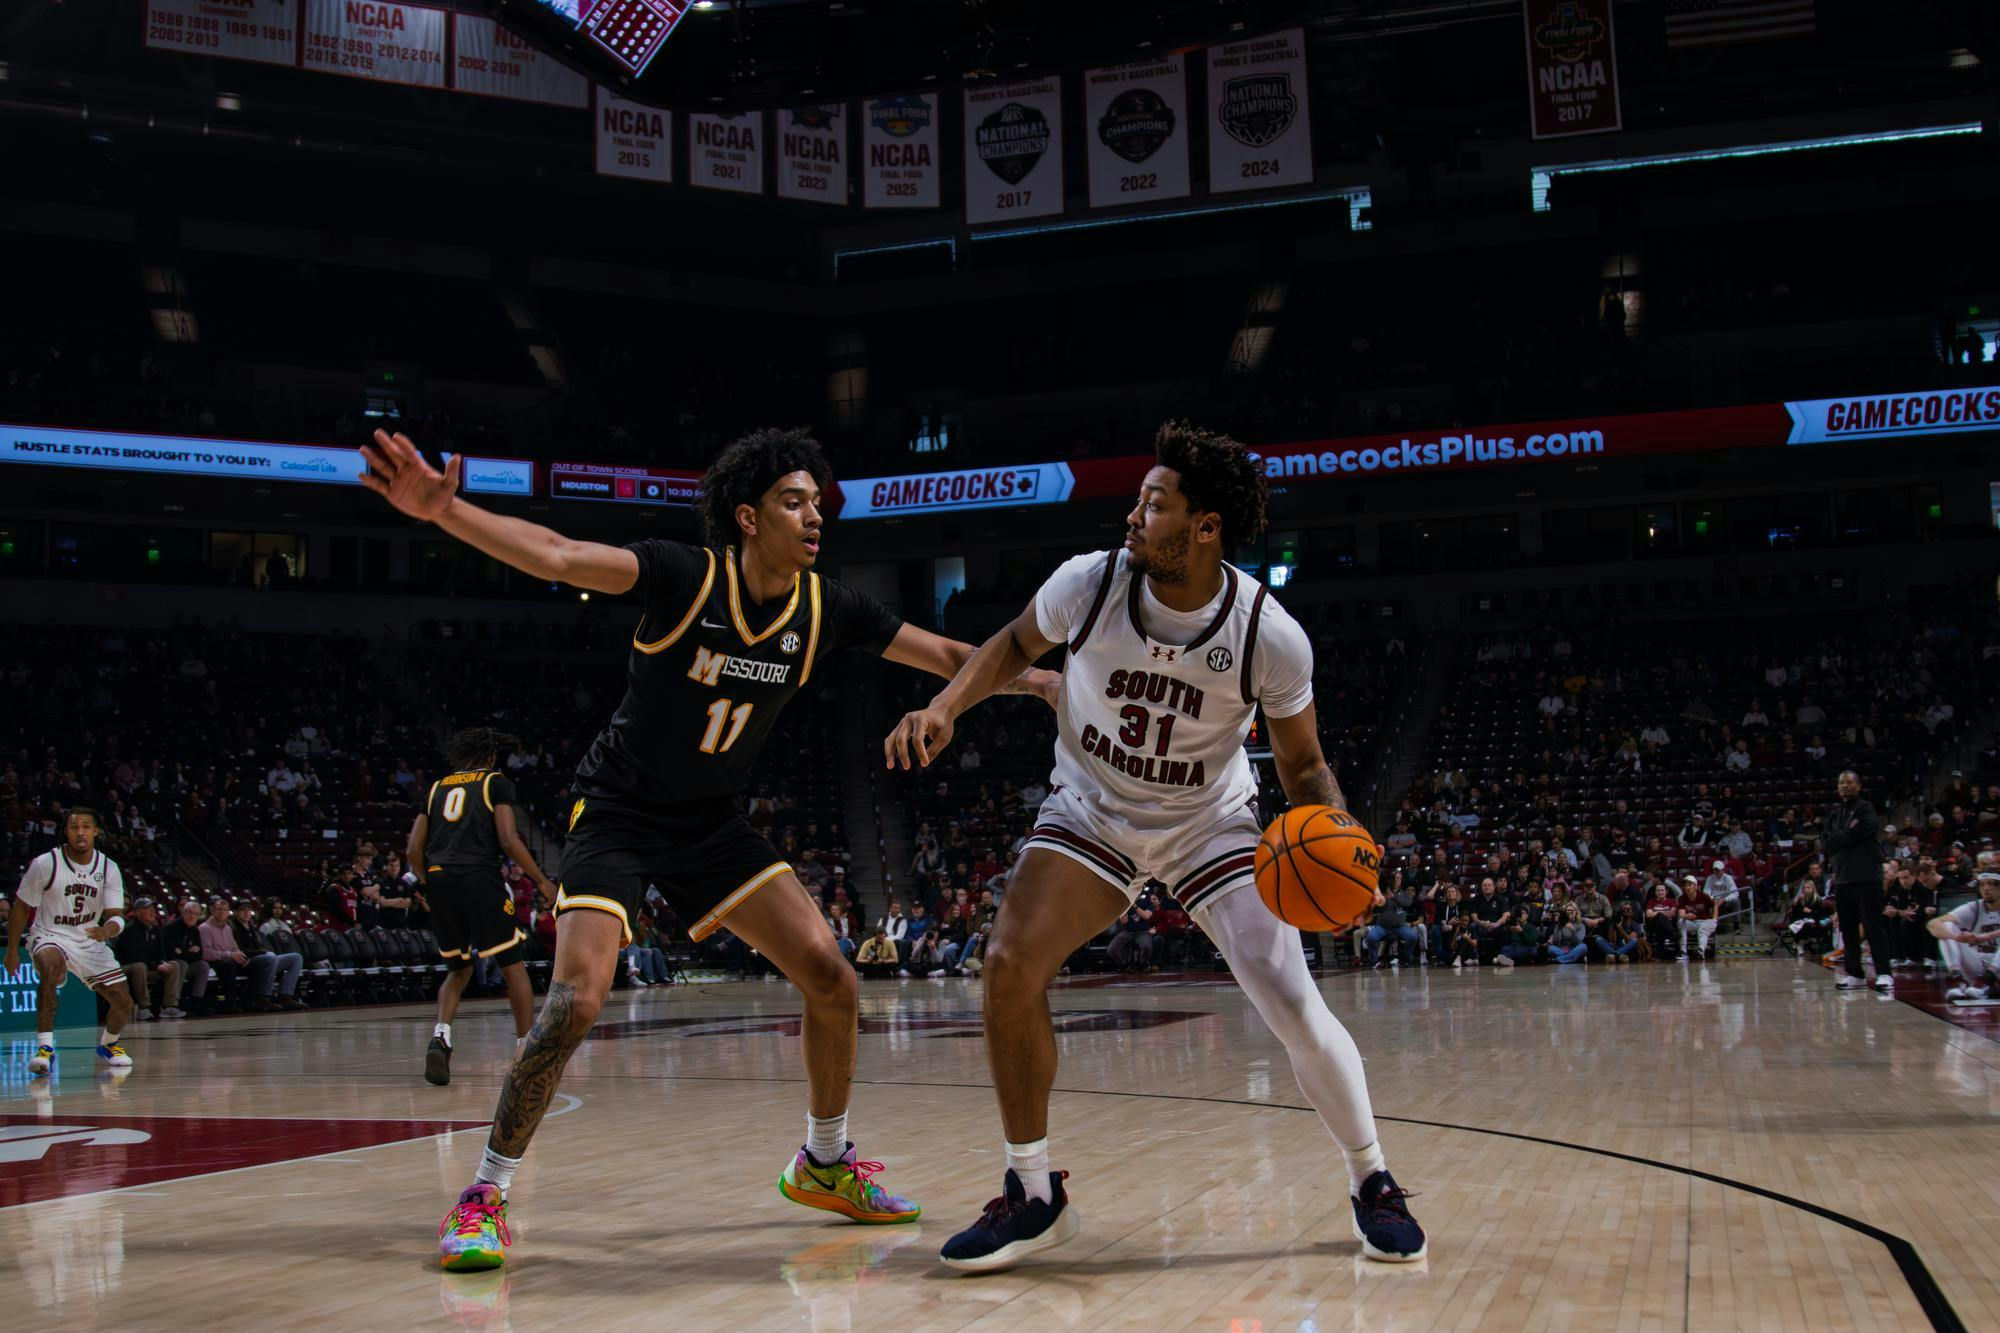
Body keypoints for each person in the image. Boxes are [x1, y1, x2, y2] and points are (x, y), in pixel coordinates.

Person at [359, 425, 1056, 1271]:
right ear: (747, 516)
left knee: (833, 978)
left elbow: (948, 655)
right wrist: (447, 511)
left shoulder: (826, 605)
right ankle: (484, 1193)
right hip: (617, 810)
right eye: (793, 501)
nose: (814, 516)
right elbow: (557, 553)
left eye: (817, 502)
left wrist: (1041, 681)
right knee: (577, 997)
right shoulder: (689, 575)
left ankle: (824, 1163)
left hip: (710, 822)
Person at [886, 422, 1424, 1272]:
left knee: (1288, 997)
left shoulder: (1267, 634)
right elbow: (1011, 646)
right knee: (1007, 962)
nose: (1134, 513)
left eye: (1155, 502)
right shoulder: (1089, 583)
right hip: (1094, 809)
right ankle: (1033, 1190)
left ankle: (1372, 1177)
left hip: (1210, 822)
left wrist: (1350, 845)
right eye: (1139, 496)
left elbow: (1306, 765)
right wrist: (948, 706)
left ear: (1204, 527)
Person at [408, 726, 557, 1086]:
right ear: (491, 757)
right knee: (512, 964)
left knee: (458, 970)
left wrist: (431, 885)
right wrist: (542, 880)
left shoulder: (436, 788)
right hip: (479, 876)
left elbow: (414, 851)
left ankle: (441, 1036)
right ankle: (526, 1051)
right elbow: (507, 838)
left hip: (439, 876)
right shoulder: (495, 782)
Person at [3, 809, 136, 1073]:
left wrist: (107, 931)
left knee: (124, 1003)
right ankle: (45, 1049)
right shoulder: (46, 863)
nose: (80, 832)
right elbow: (20, 907)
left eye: (86, 827)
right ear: (66, 832)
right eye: (74, 827)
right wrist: (12, 951)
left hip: (88, 939)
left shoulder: (109, 868)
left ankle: (109, 1044)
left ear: (96, 831)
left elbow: (115, 916)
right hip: (49, 934)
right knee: (51, 970)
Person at [1822, 770, 1891, 992]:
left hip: (1867, 875)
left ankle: (1884, 973)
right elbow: (1826, 841)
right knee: (1848, 929)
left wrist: (1840, 836)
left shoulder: (1865, 808)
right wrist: (1844, 834)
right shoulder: (1834, 813)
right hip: (1842, 878)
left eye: (1849, 782)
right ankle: (1855, 974)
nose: (1845, 786)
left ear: (1858, 785)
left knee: (1873, 926)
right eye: (1841, 782)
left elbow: (1861, 831)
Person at [1929, 871, 2000, 1000]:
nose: (1986, 888)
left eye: (1991, 884)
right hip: (1977, 965)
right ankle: (1958, 979)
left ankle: (1987, 981)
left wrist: (1983, 937)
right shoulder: (1975, 907)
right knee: (1947, 926)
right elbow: (1933, 924)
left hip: (1997, 967)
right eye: (1982, 885)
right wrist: (1956, 937)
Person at [114, 896, 187, 1020]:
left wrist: (163, 962)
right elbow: (133, 957)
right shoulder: (129, 930)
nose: (152, 911)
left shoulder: (155, 929)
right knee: (139, 966)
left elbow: (160, 952)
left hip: (149, 968)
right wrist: (156, 966)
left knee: (174, 965)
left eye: (152, 908)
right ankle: (144, 1008)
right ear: (137, 912)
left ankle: (170, 1006)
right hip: (127, 968)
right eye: (147, 908)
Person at [1676, 876, 1718, 962]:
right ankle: (1683, 951)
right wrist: (1687, 916)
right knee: (1681, 922)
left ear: (1695, 886)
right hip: (1692, 922)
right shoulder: (1682, 898)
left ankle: (1701, 950)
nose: (1687, 887)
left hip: (1706, 921)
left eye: (1690, 885)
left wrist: (1715, 918)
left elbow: (1715, 905)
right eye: (1685, 886)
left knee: (1702, 930)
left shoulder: (1704, 896)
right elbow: (1681, 914)